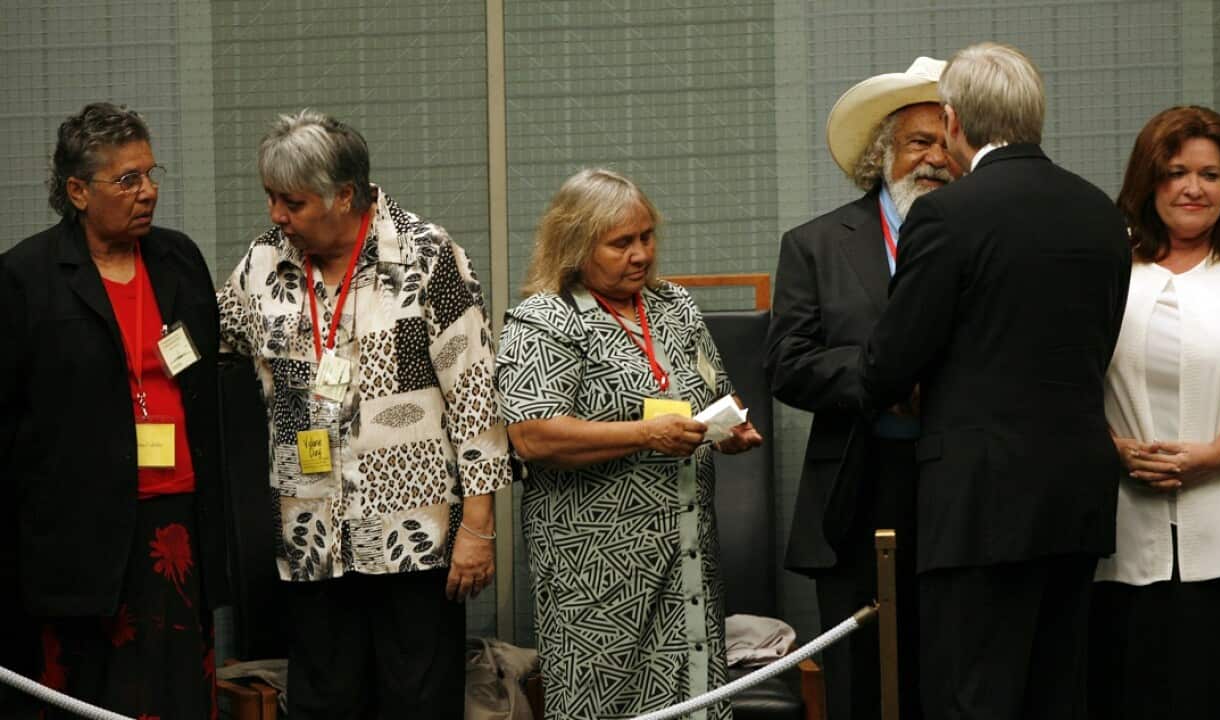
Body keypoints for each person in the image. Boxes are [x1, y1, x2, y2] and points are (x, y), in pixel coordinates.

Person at [848, 43, 1131, 719]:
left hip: (978, 500)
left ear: (952, 122)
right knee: (1056, 691)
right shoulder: (1102, 214)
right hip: (1077, 495)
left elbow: (889, 364)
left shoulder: (946, 216)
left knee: (972, 695)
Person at [218, 110, 509, 718]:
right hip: (312, 534)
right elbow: (209, 350)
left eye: (291, 202)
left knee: (418, 704)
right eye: (271, 198)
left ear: (343, 195)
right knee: (325, 704)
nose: (276, 216)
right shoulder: (262, 266)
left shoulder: (428, 257)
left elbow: (476, 398)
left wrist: (477, 530)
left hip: (415, 538)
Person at [496, 168, 763, 720]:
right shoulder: (543, 319)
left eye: (647, 236)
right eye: (621, 243)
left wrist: (729, 431)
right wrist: (647, 434)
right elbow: (532, 435)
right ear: (575, 244)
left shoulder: (675, 308)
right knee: (604, 705)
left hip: (687, 558)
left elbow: (717, 392)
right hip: (594, 575)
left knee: (694, 701)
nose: (641, 254)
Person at [0, 102, 227, 718]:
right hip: (80, 536)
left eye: (151, 174)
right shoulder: (27, 277)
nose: (147, 191)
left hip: (175, 524)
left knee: (177, 692)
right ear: (77, 190)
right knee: (90, 697)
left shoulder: (178, 259)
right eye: (127, 180)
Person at [765, 56, 960, 720]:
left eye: (948, 142)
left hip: (958, 488)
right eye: (918, 142)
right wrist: (880, 378)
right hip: (855, 490)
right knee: (858, 686)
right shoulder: (816, 244)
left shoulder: (985, 242)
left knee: (947, 675)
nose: (934, 158)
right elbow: (787, 364)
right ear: (883, 155)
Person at [1090, 106, 1220, 718]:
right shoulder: (1106, 263)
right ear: (1148, 181)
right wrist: (1117, 449)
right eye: (1175, 172)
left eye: (1210, 174)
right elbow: (1062, 375)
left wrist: (1214, 456)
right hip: (1120, 541)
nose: (1193, 188)